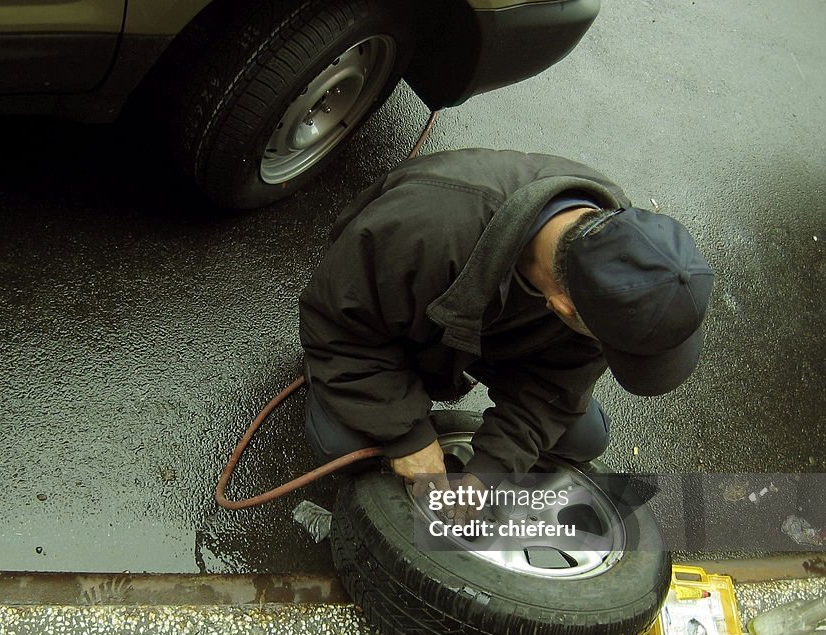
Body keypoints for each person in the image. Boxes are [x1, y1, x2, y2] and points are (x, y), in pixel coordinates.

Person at [298, 148, 714, 485]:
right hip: (384, 327)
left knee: (586, 438)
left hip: (489, 327)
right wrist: (409, 438)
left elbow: (556, 387)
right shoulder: (421, 234)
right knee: (341, 448)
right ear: (564, 308)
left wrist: (488, 474)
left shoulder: (613, 261)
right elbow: (336, 327)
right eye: (612, 345)